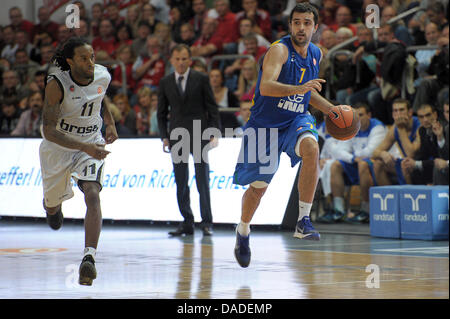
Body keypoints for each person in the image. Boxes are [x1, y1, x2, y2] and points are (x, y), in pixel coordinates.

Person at [232, 3, 345, 268]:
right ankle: (243, 229)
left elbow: (307, 92)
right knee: (258, 190)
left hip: (295, 118)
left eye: (307, 23)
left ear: (315, 27)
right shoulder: (279, 50)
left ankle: (303, 220)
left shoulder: (316, 53)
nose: (301, 27)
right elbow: (266, 86)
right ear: (290, 25)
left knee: (312, 147)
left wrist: (330, 109)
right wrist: (299, 88)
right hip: (264, 126)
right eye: (297, 22)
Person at [40, 37, 118, 286]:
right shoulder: (56, 84)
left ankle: (89, 258)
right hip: (58, 148)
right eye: (84, 58)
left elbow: (98, 96)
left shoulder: (103, 75)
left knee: (93, 194)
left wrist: (110, 121)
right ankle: (52, 207)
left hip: (91, 141)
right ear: (71, 61)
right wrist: (83, 146)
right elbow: (49, 130)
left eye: (92, 56)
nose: (90, 62)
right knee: (53, 209)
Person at [157, 44, 220, 237]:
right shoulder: (165, 82)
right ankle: (187, 221)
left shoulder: (201, 79)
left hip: (200, 135)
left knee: (203, 181)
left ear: (190, 60)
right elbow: (161, 113)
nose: (181, 62)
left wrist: (214, 132)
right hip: (176, 137)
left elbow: (212, 107)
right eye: (177, 58)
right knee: (181, 181)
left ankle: (207, 222)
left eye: (184, 58)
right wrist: (164, 137)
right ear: (172, 60)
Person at [320, 103, 386, 224]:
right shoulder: (353, 126)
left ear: (369, 115)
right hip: (358, 162)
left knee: (363, 164)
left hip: (378, 164)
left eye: (361, 115)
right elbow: (341, 150)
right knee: (335, 165)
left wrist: (355, 157)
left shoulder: (377, 127)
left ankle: (366, 210)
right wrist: (352, 158)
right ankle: (338, 210)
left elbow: (371, 152)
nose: (358, 118)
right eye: (355, 116)